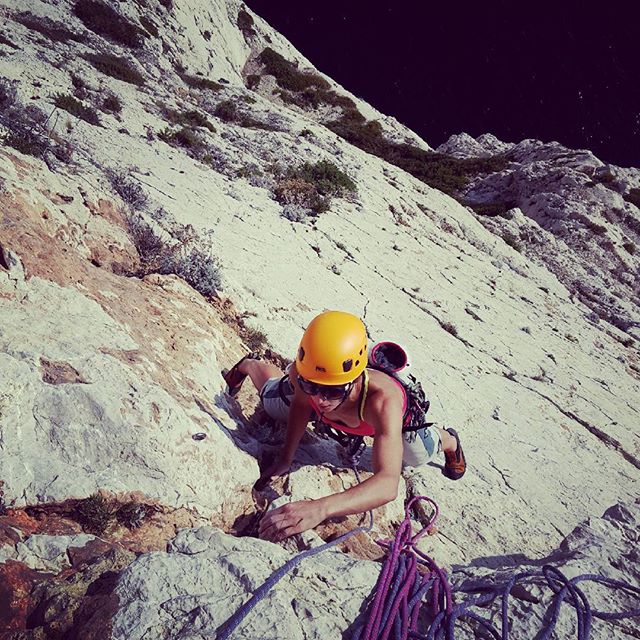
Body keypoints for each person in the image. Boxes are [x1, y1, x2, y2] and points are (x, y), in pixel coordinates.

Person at [223, 310, 466, 542]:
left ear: (355, 378)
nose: (319, 399)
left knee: (415, 454)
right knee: (271, 400)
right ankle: (249, 364)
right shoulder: (304, 373)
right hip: (336, 404)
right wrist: (286, 458)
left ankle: (450, 441)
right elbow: (301, 404)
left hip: (388, 422)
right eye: (311, 386)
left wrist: (321, 508)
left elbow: (387, 483)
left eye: (332, 390)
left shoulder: (383, 401)